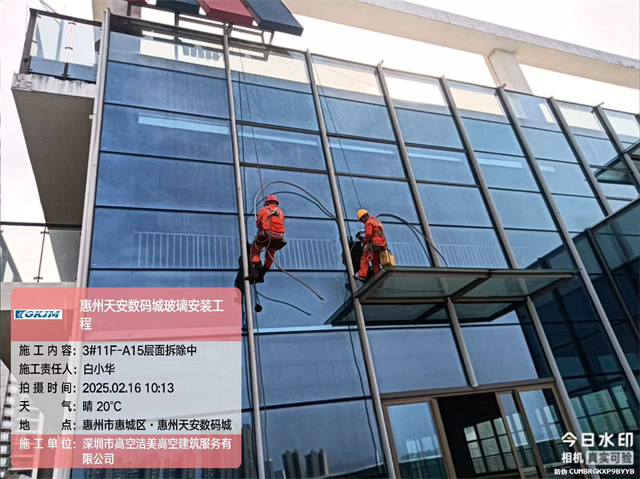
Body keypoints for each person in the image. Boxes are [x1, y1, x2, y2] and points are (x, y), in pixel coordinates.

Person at [246, 195, 286, 283]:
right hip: (278, 237)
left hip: (265, 235)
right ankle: (262, 273)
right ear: (276, 204)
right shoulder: (281, 212)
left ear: (266, 203)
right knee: (270, 256)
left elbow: (258, 225)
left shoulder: (263, 210)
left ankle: (254, 272)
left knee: (255, 250)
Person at [355, 209, 387, 282]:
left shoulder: (368, 222)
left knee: (364, 258)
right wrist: (364, 230)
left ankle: (361, 276)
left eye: (362, 220)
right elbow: (376, 231)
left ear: (364, 217)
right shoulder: (377, 221)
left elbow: (369, 234)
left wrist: (363, 242)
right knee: (375, 262)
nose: (362, 221)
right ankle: (378, 278)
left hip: (374, 243)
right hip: (381, 244)